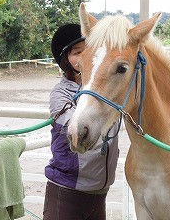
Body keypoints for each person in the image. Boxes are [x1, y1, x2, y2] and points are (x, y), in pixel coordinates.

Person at [43, 23, 119, 220]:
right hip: (67, 191)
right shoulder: (60, 93)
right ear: (65, 60)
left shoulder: (106, 92)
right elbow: (76, 128)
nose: (83, 56)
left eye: (88, 50)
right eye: (77, 52)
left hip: (100, 191)